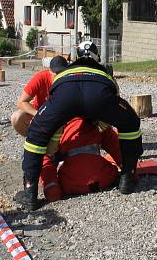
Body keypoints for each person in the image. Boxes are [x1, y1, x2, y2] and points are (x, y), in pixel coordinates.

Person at [15, 40, 142, 210]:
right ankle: (128, 176)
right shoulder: (104, 70)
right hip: (98, 95)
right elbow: (115, 99)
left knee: (37, 134)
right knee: (130, 122)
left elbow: (41, 118)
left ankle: (30, 192)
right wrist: (102, 121)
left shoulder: (65, 72)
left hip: (64, 98)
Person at [40, 118, 122, 202]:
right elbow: (113, 143)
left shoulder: (56, 120)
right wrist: (131, 166)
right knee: (109, 154)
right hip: (104, 178)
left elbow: (47, 158)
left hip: (70, 184)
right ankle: (128, 166)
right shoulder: (94, 116)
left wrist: (50, 185)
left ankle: (51, 186)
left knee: (45, 154)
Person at [10, 55, 68, 136]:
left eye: (61, 73)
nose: (59, 76)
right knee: (16, 118)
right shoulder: (40, 77)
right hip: (41, 113)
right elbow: (21, 102)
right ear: (50, 71)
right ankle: (32, 138)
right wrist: (38, 114)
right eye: (56, 73)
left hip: (61, 116)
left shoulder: (70, 80)